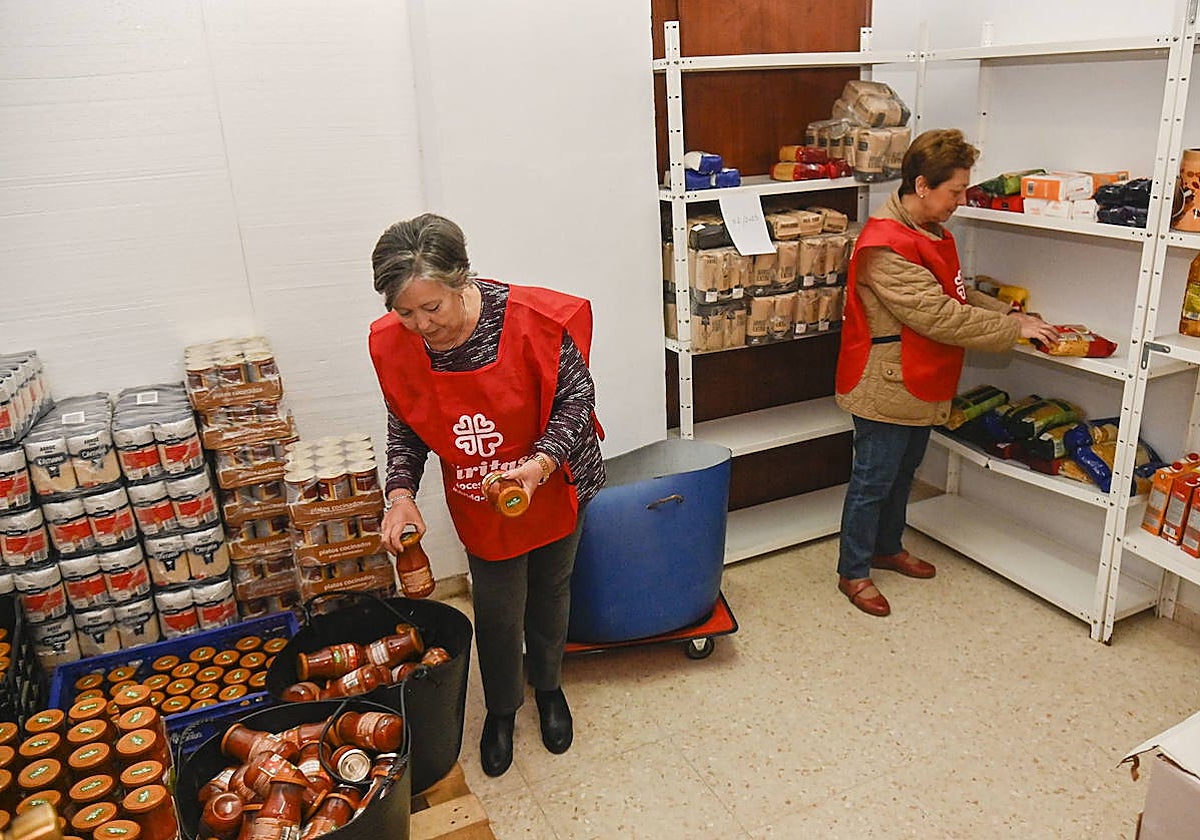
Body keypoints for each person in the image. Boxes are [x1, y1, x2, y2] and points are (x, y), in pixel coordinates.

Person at [367, 213, 605, 776]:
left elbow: (577, 399)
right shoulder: (397, 347)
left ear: (461, 281)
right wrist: (400, 492)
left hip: (554, 474)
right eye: (405, 313)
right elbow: (408, 423)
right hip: (480, 492)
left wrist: (540, 463)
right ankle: (502, 709)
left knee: (551, 590)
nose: (422, 325)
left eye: (433, 308)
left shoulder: (536, 321)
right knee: (498, 608)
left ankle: (548, 688)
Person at [834, 129, 1058, 617]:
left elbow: (954, 294)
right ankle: (853, 571)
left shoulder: (929, 232)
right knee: (874, 480)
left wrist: (1008, 313)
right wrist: (1011, 328)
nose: (960, 200)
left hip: (919, 380)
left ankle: (887, 548)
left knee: (903, 473)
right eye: (954, 191)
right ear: (921, 185)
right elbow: (938, 315)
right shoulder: (885, 247)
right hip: (886, 383)